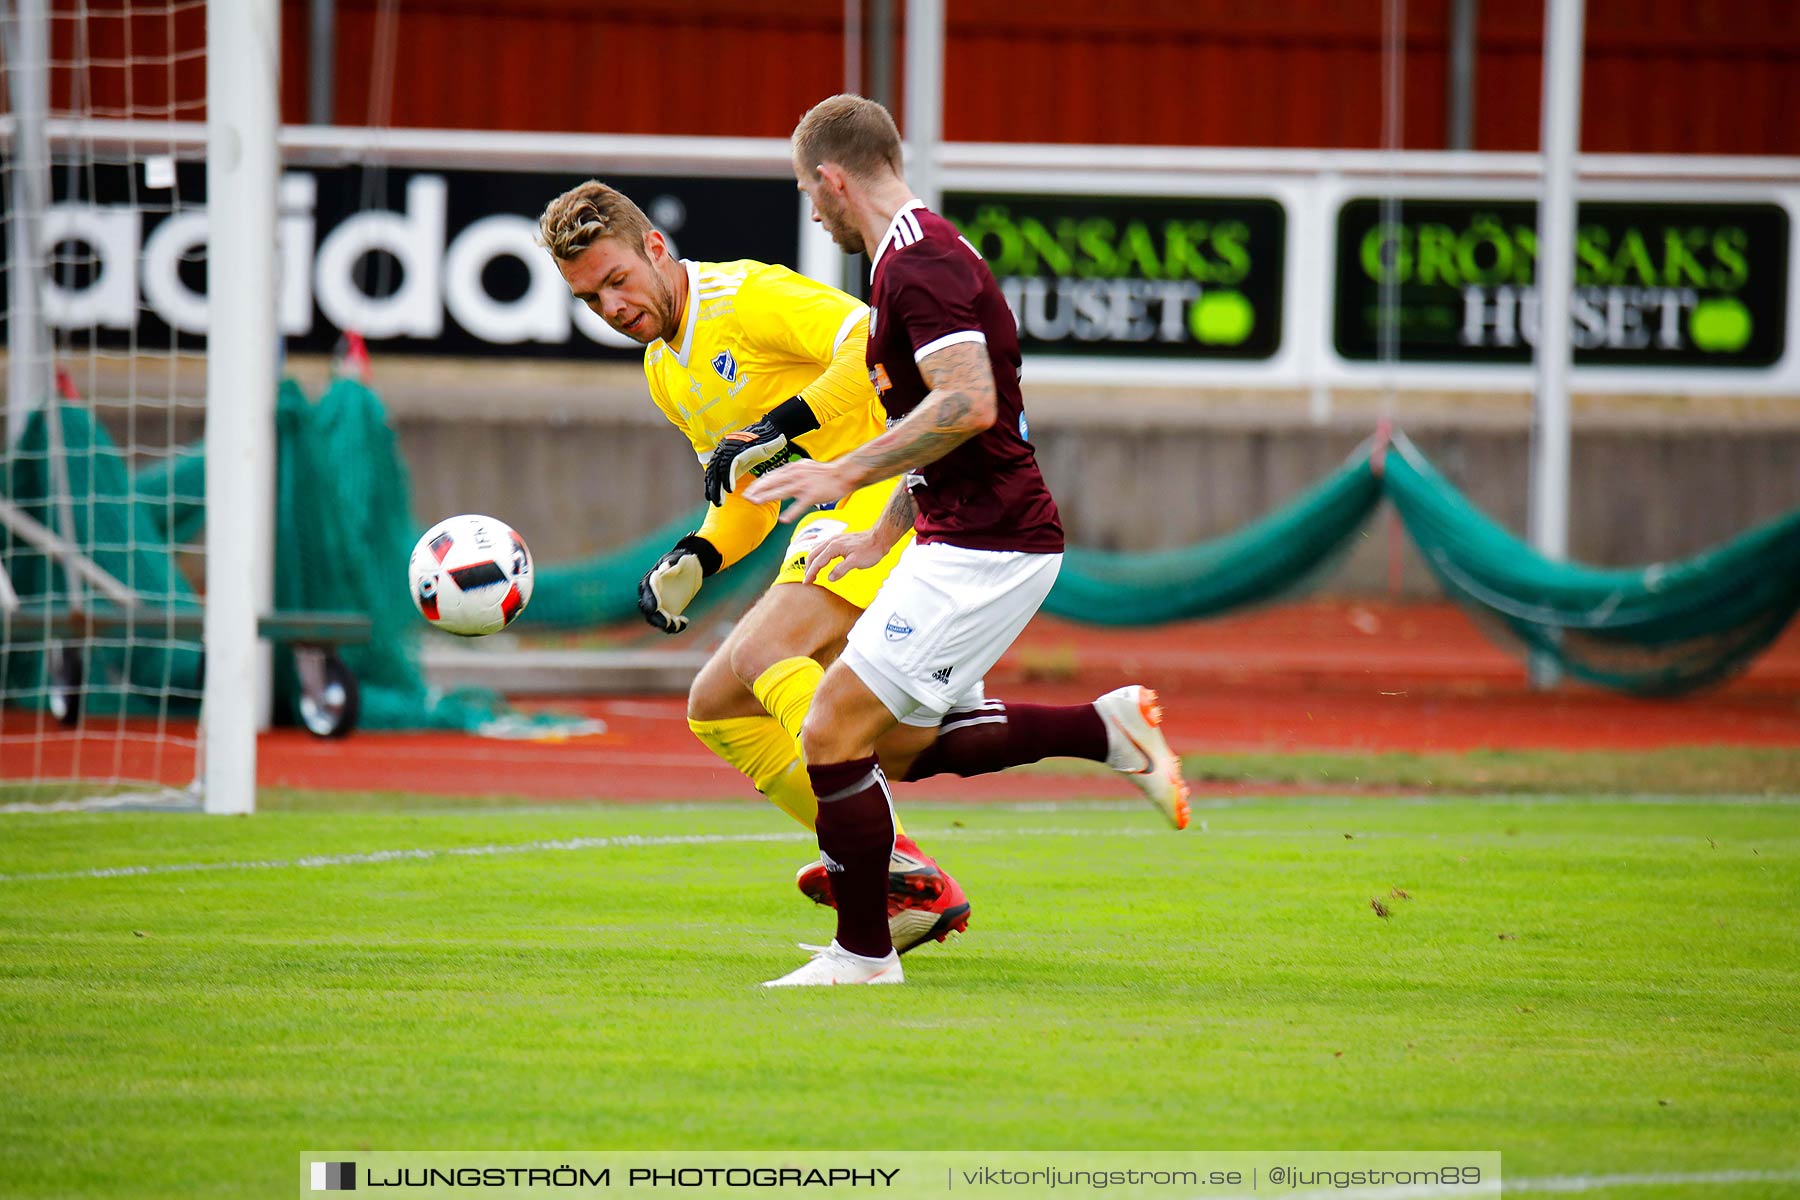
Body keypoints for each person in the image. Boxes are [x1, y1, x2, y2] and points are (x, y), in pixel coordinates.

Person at [536, 179, 1188, 963]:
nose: (611, 306)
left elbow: (869, 344)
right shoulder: (664, 369)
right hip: (825, 514)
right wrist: (700, 552)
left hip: (884, 493)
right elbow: (749, 486)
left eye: (616, 280)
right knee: (735, 710)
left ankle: (892, 871)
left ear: (655, 248)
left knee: (761, 659)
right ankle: (1102, 731)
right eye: (589, 298)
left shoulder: (743, 297)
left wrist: (781, 424)